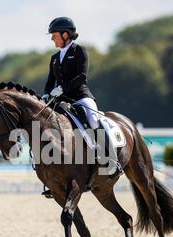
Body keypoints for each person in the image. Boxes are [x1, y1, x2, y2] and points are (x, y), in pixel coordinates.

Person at [42, 17, 122, 177]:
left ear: (65, 34)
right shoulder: (55, 58)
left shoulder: (80, 51)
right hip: (60, 100)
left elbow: (81, 76)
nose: (52, 38)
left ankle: (112, 160)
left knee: (93, 119)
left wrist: (62, 88)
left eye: (54, 35)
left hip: (80, 96)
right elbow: (50, 82)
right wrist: (45, 94)